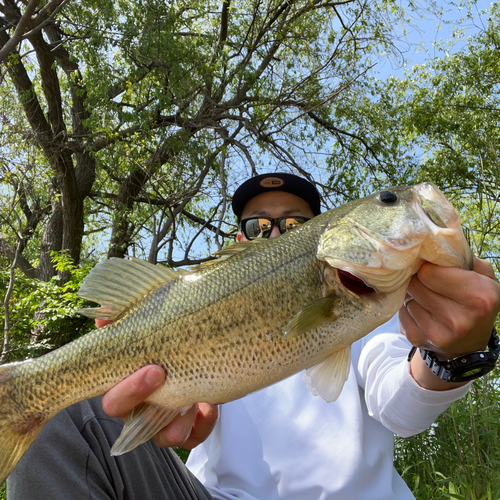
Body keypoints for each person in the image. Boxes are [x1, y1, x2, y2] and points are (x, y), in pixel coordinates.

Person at [7, 173, 500, 499]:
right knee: (57, 417)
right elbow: (172, 422)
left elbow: (401, 407)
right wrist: (156, 416)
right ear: (239, 240)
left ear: (320, 234)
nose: (276, 232)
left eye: (294, 223)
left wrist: (453, 353)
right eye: (258, 224)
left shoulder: (383, 310)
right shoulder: (201, 298)